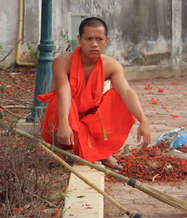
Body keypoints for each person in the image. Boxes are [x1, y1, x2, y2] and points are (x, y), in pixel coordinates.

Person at [38, 17, 151, 168]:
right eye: (89, 39)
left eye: (99, 39)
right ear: (79, 39)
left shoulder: (111, 65)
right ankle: (62, 151)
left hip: (89, 118)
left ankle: (102, 152)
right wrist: (64, 125)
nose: (94, 44)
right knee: (62, 99)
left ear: (106, 40)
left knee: (117, 98)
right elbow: (63, 92)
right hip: (63, 116)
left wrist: (143, 120)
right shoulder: (63, 62)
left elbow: (126, 91)